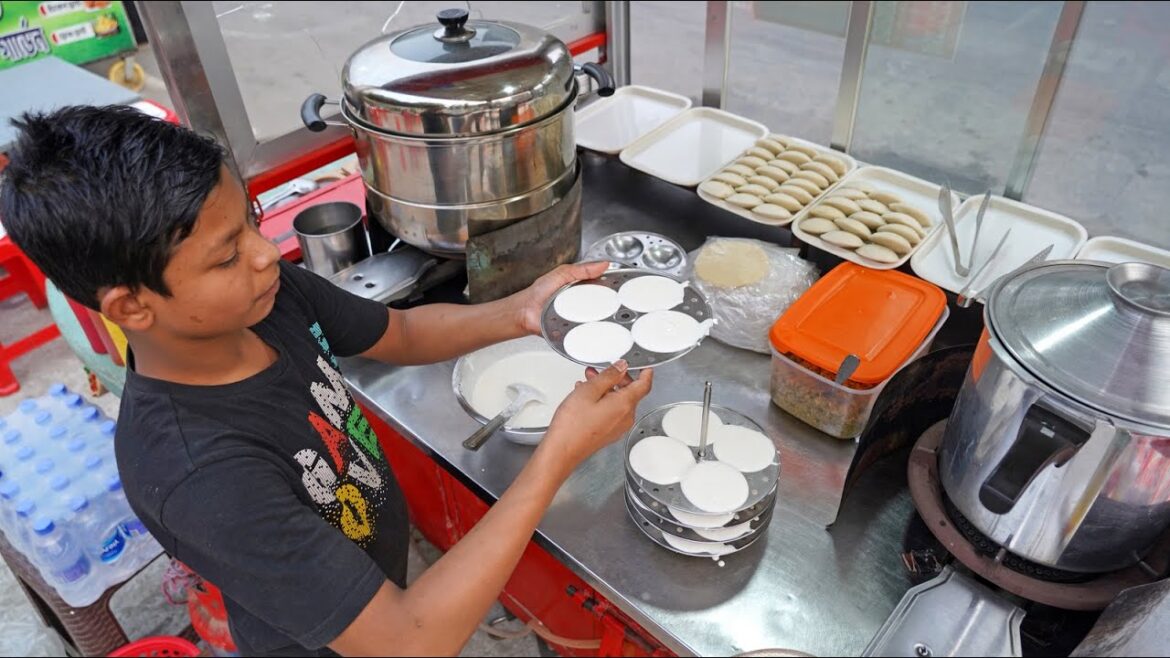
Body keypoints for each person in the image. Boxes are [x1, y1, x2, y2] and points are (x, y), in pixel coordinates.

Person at [0, 105, 653, 656]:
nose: (264, 254)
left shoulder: (265, 297)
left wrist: (519, 312)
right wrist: (556, 456)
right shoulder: (199, 474)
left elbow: (401, 334)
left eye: (251, 221)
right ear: (132, 308)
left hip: (376, 579)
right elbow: (409, 640)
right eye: (227, 254)